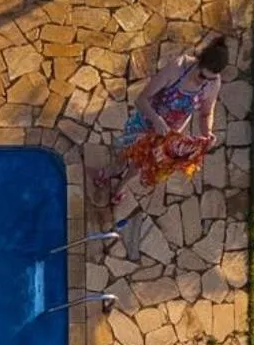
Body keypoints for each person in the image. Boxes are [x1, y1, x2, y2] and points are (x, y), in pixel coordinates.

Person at [93, 36, 231, 216]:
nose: (203, 82)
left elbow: (206, 113)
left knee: (143, 163)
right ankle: (113, 170)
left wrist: (208, 133)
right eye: (202, 75)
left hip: (169, 134)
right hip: (146, 120)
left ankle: (121, 185)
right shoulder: (177, 68)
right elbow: (141, 99)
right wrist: (157, 121)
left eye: (209, 80)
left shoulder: (213, 83)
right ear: (198, 62)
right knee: (127, 151)